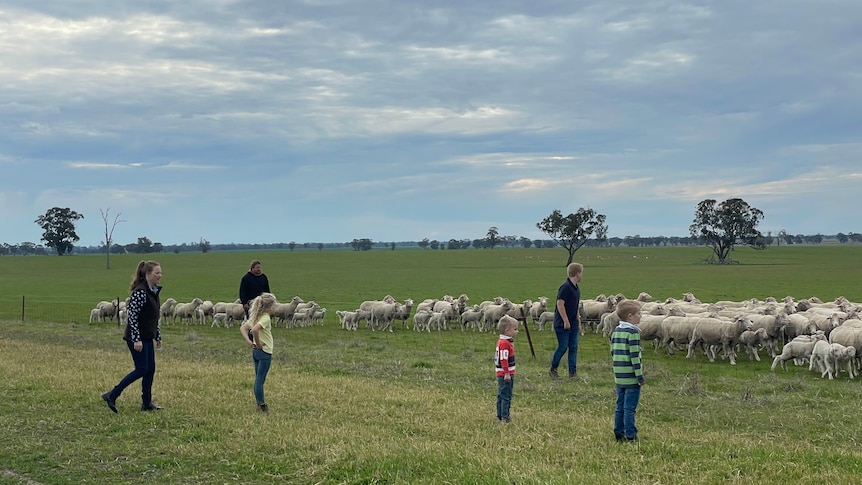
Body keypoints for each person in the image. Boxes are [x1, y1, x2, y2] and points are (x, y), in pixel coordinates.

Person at [102, 260, 164, 413]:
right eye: (157, 273)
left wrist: (157, 335)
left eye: (160, 272)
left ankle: (147, 403)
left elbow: (153, 317)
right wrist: (136, 339)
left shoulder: (153, 291)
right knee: (142, 369)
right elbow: (133, 316)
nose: (160, 275)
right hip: (136, 338)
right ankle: (112, 394)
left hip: (147, 337)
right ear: (148, 274)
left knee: (150, 370)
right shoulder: (140, 292)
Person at [611, 300, 645, 442]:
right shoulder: (633, 333)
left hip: (619, 377)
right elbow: (634, 357)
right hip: (631, 377)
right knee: (629, 408)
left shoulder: (616, 332)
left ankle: (618, 433)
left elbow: (613, 352)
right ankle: (630, 435)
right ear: (630, 316)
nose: (641, 316)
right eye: (639, 313)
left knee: (620, 406)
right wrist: (640, 377)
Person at [240, 292, 277, 413]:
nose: (275, 307)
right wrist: (258, 343)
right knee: (260, 379)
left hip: (256, 352)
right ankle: (262, 404)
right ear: (269, 307)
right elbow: (255, 330)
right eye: (274, 305)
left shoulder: (256, 317)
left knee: (258, 378)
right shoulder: (265, 318)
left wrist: (250, 342)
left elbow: (243, 328)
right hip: (265, 352)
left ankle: (258, 402)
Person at [549, 262, 583, 379]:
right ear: (577, 273)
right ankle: (553, 369)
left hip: (573, 323)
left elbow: (575, 306)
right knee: (563, 347)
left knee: (573, 347)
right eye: (581, 273)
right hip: (562, 324)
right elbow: (560, 303)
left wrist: (578, 321)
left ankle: (572, 373)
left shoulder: (576, 288)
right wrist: (565, 320)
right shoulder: (565, 286)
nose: (582, 275)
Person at [495, 315, 519, 423]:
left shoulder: (502, 341)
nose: (517, 331)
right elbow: (503, 359)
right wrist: (507, 372)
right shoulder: (505, 343)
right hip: (505, 374)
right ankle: (505, 417)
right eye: (515, 329)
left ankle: (500, 415)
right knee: (506, 395)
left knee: (501, 394)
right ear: (507, 330)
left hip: (502, 373)